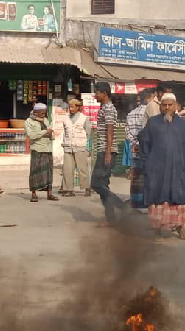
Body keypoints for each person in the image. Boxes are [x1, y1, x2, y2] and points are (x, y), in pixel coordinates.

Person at [137, 93, 185, 240]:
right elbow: (144, 141)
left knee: (178, 197)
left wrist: (183, 161)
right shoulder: (153, 122)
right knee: (157, 197)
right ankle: (157, 230)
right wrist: (146, 162)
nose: (167, 107)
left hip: (176, 167)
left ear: (176, 106)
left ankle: (180, 227)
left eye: (170, 105)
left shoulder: (182, 124)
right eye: (164, 105)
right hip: (156, 167)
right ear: (160, 106)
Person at [91, 84, 126, 226]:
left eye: (97, 93)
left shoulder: (109, 109)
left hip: (106, 151)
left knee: (96, 183)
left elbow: (110, 131)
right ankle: (111, 219)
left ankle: (122, 206)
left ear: (105, 93)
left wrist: (107, 153)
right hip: (104, 150)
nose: (95, 96)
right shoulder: (104, 108)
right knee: (103, 185)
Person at [57, 96, 93, 198]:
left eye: (72, 107)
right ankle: (69, 190)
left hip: (80, 147)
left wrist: (88, 148)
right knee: (67, 169)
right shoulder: (65, 118)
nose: (71, 109)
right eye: (69, 107)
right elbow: (65, 132)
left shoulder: (84, 118)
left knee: (83, 169)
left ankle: (87, 188)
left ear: (78, 107)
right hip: (68, 147)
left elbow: (89, 134)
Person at [23, 103, 57, 203]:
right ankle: (34, 194)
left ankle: (49, 193)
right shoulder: (29, 121)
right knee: (35, 172)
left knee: (48, 172)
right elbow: (31, 135)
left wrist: (50, 133)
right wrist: (45, 132)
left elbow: (52, 133)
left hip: (48, 149)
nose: (43, 114)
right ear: (35, 112)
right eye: (41, 112)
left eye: (44, 112)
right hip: (37, 149)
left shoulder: (46, 120)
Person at [125, 92, 151, 209]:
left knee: (136, 176)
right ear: (148, 98)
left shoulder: (131, 114)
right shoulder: (151, 113)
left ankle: (135, 201)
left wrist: (135, 143)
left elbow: (127, 133)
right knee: (148, 175)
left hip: (135, 149)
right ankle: (147, 201)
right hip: (149, 150)